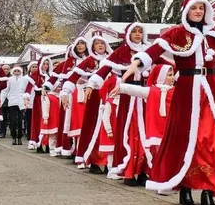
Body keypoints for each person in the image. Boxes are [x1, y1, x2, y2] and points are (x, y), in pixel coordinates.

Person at [124, 0, 215, 205]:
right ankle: (185, 187)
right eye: (194, 8)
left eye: (201, 8)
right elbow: (154, 50)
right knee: (186, 138)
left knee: (212, 139)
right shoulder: (176, 34)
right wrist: (137, 63)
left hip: (210, 89)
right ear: (186, 11)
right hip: (186, 89)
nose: (198, 11)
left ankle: (209, 189)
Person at [85, 23, 170, 186]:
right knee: (129, 133)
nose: (138, 34)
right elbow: (103, 71)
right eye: (134, 32)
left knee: (145, 134)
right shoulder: (121, 52)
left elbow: (168, 65)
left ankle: (145, 170)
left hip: (145, 97)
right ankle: (129, 171)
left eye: (140, 31)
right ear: (128, 34)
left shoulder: (149, 51)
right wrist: (91, 85)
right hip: (127, 97)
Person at [61, 36, 114, 169]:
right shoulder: (89, 60)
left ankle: (110, 161)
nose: (100, 45)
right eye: (97, 43)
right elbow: (74, 76)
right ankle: (93, 160)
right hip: (94, 96)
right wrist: (66, 91)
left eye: (102, 43)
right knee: (91, 127)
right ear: (92, 46)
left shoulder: (113, 58)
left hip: (111, 96)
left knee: (110, 128)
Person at [112, 64, 176, 172]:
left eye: (173, 75)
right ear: (161, 77)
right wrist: (121, 87)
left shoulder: (176, 91)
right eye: (169, 75)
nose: (173, 78)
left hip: (172, 130)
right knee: (159, 155)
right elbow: (136, 90)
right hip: (156, 130)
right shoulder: (152, 91)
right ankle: (159, 178)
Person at [1, 66, 28, 145]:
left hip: (21, 101)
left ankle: (19, 137)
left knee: (20, 120)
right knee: (13, 120)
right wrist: (2, 101)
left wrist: (26, 101)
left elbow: (27, 90)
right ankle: (13, 137)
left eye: (18, 71)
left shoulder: (24, 79)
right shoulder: (9, 79)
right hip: (12, 102)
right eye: (15, 71)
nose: (17, 73)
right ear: (13, 72)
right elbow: (5, 91)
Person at [23, 61, 38, 144]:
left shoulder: (40, 77)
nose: (35, 68)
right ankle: (29, 134)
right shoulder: (26, 78)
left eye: (36, 67)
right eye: (33, 67)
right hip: (29, 101)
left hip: (38, 99)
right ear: (29, 68)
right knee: (29, 120)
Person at [0, 63, 12, 138]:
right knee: (2, 117)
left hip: (11, 99)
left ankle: (12, 131)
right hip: (1, 99)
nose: (6, 70)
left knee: (10, 117)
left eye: (7, 69)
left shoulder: (12, 77)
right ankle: (1, 132)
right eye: (4, 69)